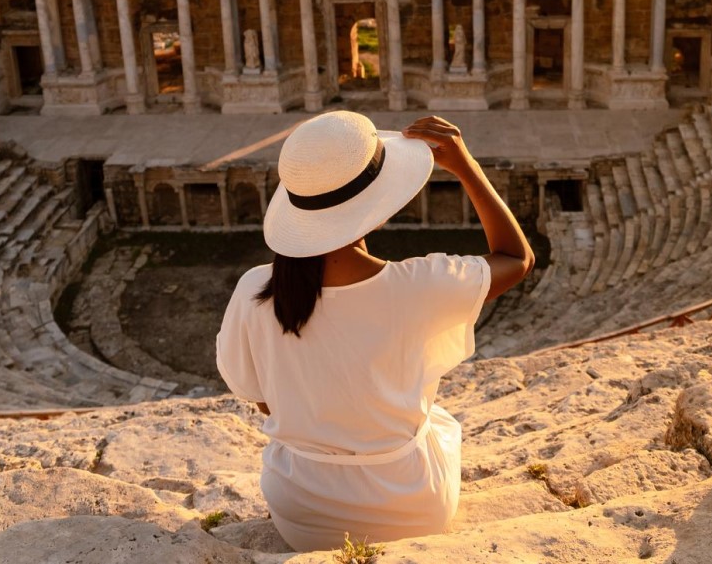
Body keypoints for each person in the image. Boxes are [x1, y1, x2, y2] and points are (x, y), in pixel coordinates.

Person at [216, 111, 533, 552]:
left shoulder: (256, 289)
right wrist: (466, 167)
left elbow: (260, 396)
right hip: (410, 508)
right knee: (436, 421)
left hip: (302, 512)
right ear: (377, 208)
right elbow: (516, 258)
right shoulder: (423, 284)